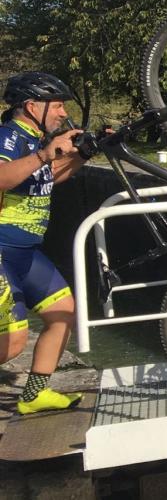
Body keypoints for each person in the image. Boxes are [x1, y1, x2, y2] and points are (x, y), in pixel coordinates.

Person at [0, 71, 87, 413]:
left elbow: (49, 176)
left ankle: (34, 395)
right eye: (57, 105)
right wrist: (45, 154)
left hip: (26, 253)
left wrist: (83, 154)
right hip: (2, 250)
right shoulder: (8, 136)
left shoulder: (37, 142)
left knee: (62, 313)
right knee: (11, 343)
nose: (63, 113)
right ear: (32, 106)